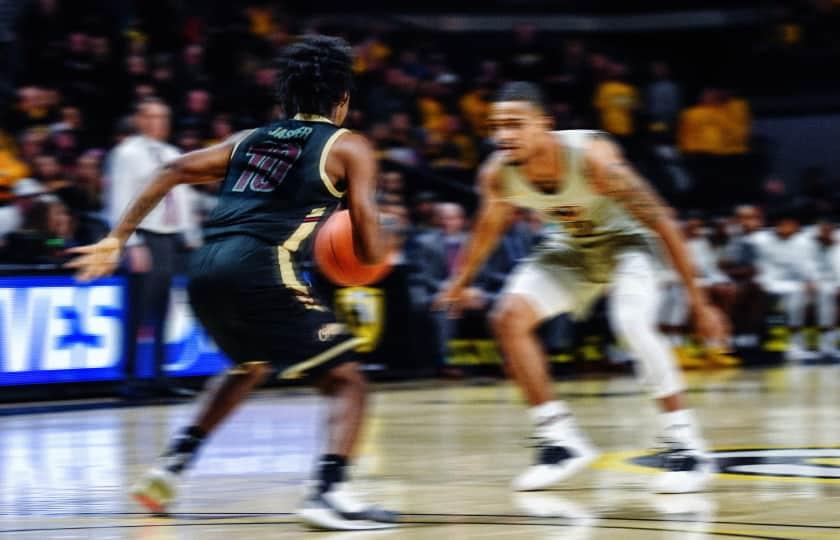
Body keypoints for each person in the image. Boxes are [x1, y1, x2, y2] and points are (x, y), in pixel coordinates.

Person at [67, 35, 397, 531]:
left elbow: (173, 169)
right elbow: (370, 246)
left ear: (285, 99)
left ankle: (170, 467)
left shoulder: (249, 138)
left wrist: (117, 237)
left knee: (249, 365)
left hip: (204, 269)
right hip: (261, 266)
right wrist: (372, 252)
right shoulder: (349, 145)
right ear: (343, 100)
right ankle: (329, 493)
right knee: (348, 380)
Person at [436, 82, 728, 494]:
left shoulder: (594, 160)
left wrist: (700, 303)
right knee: (508, 317)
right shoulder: (497, 175)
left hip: (631, 243)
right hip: (571, 247)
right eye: (496, 126)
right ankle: (560, 442)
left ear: (545, 126)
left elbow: (662, 220)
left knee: (628, 319)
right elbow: (486, 230)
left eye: (515, 125)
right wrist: (459, 283)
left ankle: (687, 445)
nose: (503, 135)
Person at [105, 96, 196, 398]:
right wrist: (131, 242)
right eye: (153, 117)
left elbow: (181, 195)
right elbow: (121, 198)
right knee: (138, 310)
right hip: (144, 236)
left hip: (169, 238)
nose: (159, 123)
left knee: (162, 311)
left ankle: (159, 375)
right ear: (140, 120)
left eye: (164, 117)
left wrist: (188, 232)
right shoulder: (127, 153)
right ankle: (129, 376)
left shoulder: (171, 153)